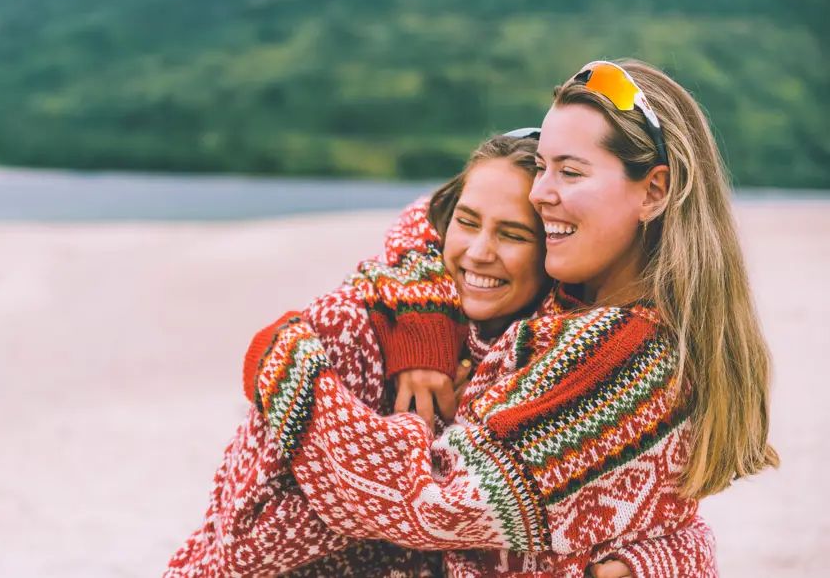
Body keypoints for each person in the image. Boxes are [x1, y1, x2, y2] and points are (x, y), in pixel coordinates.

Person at [243, 59, 777, 576]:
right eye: (542, 166)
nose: (541, 193)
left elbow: (433, 503)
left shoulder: (627, 352)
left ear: (654, 191)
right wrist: (426, 323)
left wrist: (287, 370)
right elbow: (428, 220)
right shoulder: (577, 293)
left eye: (569, 171)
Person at [166, 125, 716, 576]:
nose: (479, 252)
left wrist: (674, 555)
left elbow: (634, 506)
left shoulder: (559, 347)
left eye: (515, 235)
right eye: (467, 222)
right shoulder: (362, 323)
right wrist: (287, 366)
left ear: (555, 240)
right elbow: (246, 542)